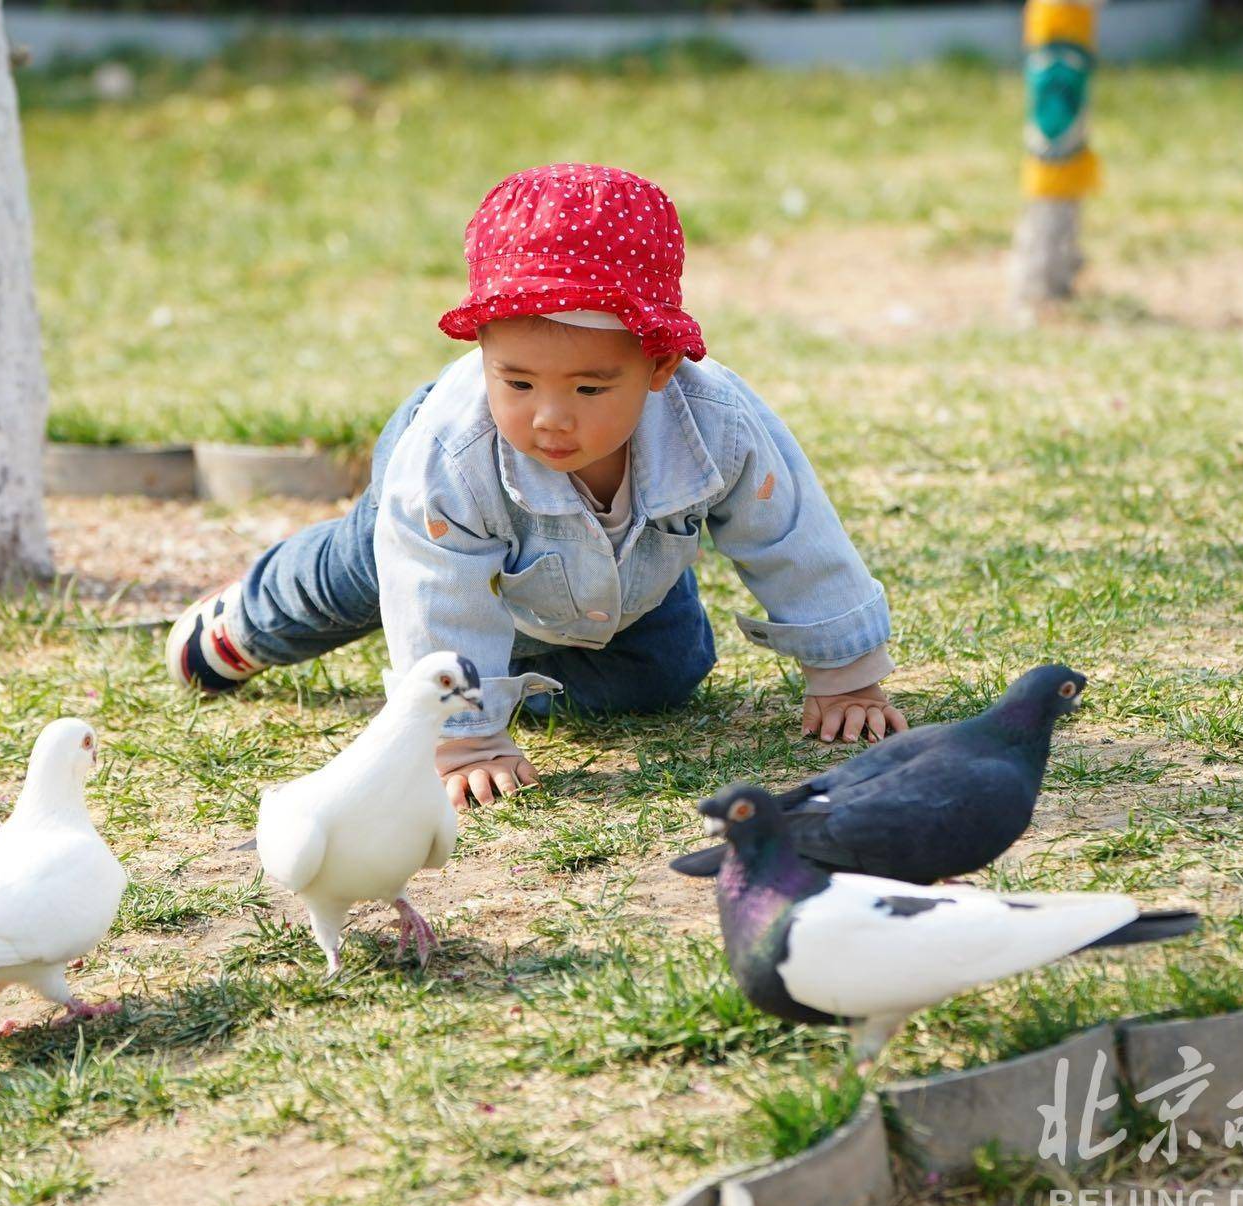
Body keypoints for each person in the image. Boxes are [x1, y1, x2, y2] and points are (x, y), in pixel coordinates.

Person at [168, 164, 904, 809]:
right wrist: (466, 736)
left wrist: (843, 673)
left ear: (660, 368)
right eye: (516, 380)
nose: (549, 417)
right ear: (484, 355)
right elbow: (437, 589)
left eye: (589, 386)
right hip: (439, 531)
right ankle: (252, 616)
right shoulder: (452, 455)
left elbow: (792, 534)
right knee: (361, 572)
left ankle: (514, 655)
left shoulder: (716, 424)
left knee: (665, 675)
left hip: (619, 576)